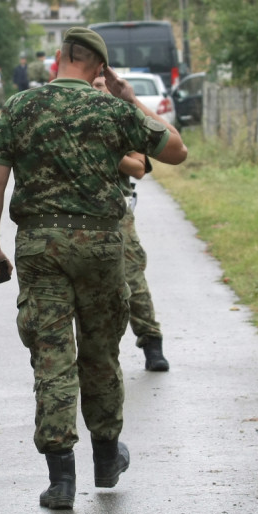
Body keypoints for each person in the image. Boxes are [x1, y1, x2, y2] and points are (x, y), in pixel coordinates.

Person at [0, 27, 187, 510]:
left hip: (40, 247)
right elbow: (176, 150)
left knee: (51, 355)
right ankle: (107, 456)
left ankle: (61, 480)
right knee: (100, 351)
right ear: (99, 67)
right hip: (100, 246)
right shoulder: (112, 109)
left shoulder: (19, 106)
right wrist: (128, 99)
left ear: (59, 58)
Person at [94, 77, 170, 372]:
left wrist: (106, 149)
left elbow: (139, 168)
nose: (98, 89)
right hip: (79, 212)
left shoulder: (123, 118)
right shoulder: (72, 117)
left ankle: (151, 340)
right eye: (93, 83)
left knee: (132, 279)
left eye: (103, 84)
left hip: (116, 213)